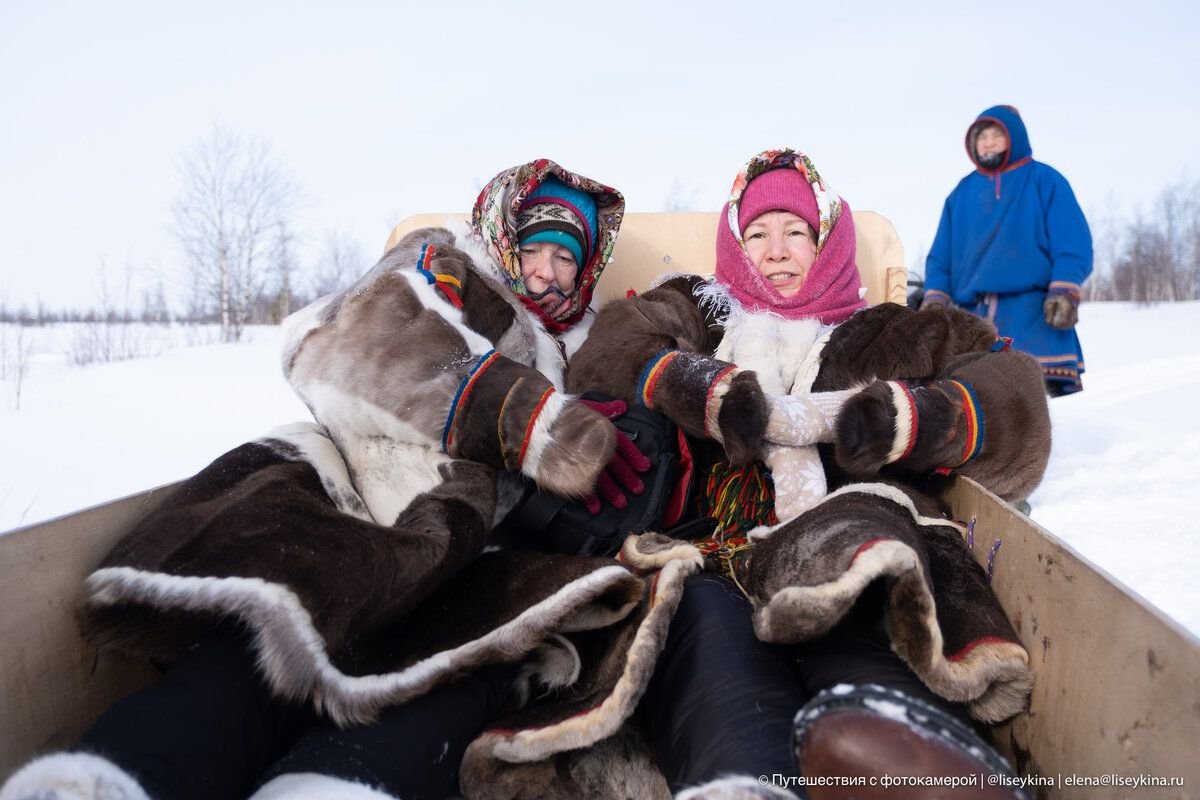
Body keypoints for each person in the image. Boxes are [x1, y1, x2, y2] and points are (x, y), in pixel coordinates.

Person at [0, 159, 652, 800]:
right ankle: (118, 780)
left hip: (476, 546)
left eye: (565, 257)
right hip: (352, 492)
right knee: (270, 641)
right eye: (535, 246)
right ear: (504, 233)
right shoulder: (447, 263)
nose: (545, 270)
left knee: (442, 657)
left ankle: (331, 783)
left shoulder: (584, 343)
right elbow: (347, 340)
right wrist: (528, 417)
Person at [565, 148, 1051, 797]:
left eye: (796, 231)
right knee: (707, 631)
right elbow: (612, 346)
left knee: (857, 599)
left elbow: (1012, 388)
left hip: (857, 537)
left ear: (826, 241)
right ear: (736, 246)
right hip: (717, 546)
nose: (776, 251)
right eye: (757, 234)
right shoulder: (700, 310)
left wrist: (910, 417)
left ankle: (905, 747)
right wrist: (701, 387)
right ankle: (742, 779)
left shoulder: (888, 331)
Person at [922, 105, 1093, 396]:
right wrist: (935, 298)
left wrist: (1065, 290)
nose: (987, 142)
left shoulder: (1045, 181)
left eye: (995, 135)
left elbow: (1072, 241)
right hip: (971, 319)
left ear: (1014, 137)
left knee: (1037, 404)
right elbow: (941, 256)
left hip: (1033, 314)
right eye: (981, 136)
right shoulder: (961, 193)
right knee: (970, 404)